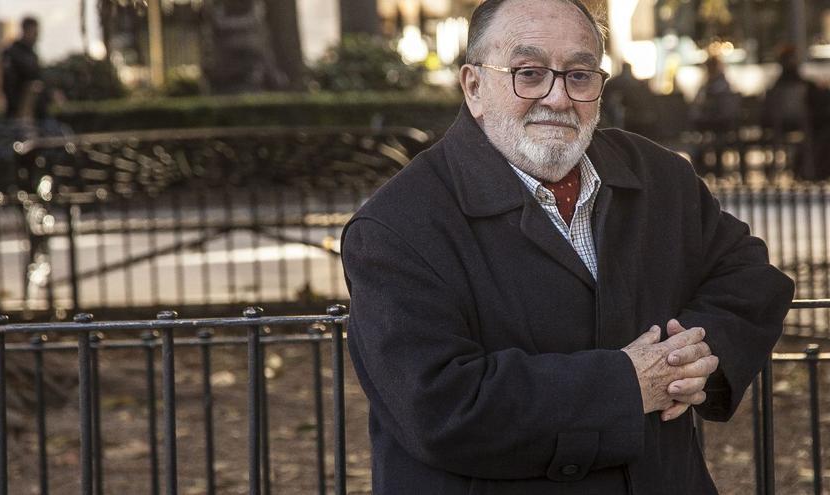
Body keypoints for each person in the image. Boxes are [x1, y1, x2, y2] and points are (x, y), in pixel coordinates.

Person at [340, 0, 794, 493]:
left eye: (579, 75)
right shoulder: (395, 225)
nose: (557, 98)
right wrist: (626, 384)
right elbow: (440, 408)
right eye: (529, 73)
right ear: (474, 86)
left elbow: (750, 277)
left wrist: (694, 359)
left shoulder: (660, 175)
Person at [762, 44, 830, 180]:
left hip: (780, 124)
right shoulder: (800, 83)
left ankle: (810, 166)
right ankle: (816, 168)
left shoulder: (776, 85)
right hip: (804, 122)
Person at [689, 55, 741, 178]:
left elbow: (697, 108)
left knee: (712, 143)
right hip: (713, 124)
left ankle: (709, 172)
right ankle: (702, 173)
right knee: (701, 145)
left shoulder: (720, 86)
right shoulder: (707, 86)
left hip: (721, 124)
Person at [1, 16, 47, 120]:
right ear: (26, 31)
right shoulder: (13, 54)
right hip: (19, 111)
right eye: (35, 33)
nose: (36, 37)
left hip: (36, 113)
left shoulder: (32, 54)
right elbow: (9, 85)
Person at [601, 62, 657, 138]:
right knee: (617, 110)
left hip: (632, 112)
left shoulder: (634, 83)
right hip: (621, 112)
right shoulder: (618, 82)